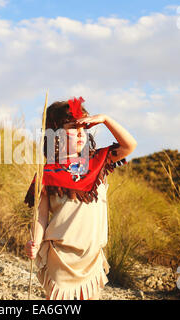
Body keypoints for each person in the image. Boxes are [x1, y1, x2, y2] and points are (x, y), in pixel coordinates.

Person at [24, 97, 137, 300]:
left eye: (83, 128)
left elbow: (129, 145)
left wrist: (105, 119)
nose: (80, 133)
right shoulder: (47, 173)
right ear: (55, 134)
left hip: (91, 257)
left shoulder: (98, 161)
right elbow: (40, 217)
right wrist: (34, 242)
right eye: (72, 127)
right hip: (60, 257)